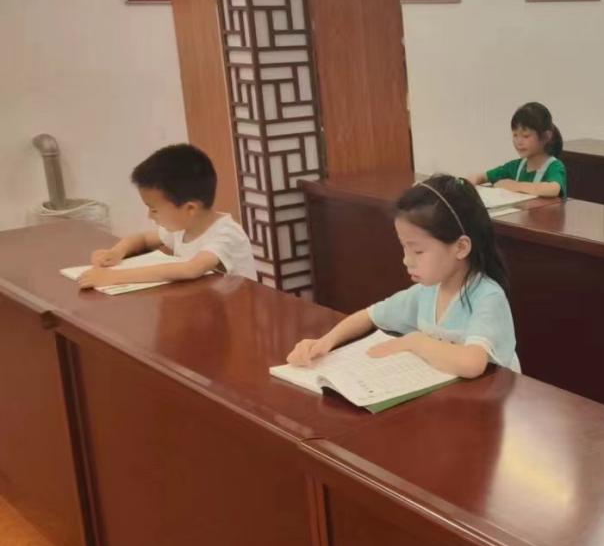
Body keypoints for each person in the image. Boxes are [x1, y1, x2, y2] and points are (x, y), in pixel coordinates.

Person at [287, 175, 517, 377]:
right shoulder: (428, 291)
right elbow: (369, 315)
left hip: (497, 402)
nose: (406, 260)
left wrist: (414, 341)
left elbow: (471, 363)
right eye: (404, 248)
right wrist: (326, 342)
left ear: (460, 247)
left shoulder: (487, 296)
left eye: (418, 251)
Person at [80, 143, 258, 288]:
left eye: (154, 210)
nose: (150, 216)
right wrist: (116, 252)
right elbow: (143, 239)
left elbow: (190, 269)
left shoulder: (226, 234)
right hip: (203, 303)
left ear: (190, 209)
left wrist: (114, 277)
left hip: (238, 312)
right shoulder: (184, 226)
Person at [477, 102, 567, 198]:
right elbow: (483, 176)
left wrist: (515, 186)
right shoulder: (515, 166)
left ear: (546, 136)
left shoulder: (554, 167)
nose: (519, 142)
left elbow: (553, 189)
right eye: (515, 135)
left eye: (526, 136)